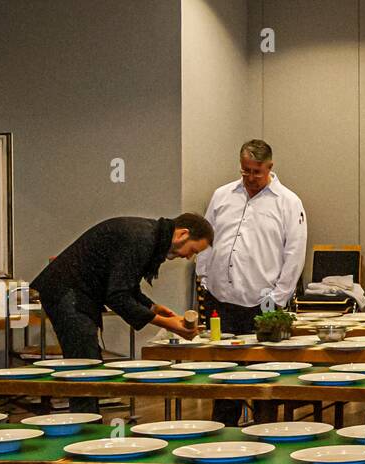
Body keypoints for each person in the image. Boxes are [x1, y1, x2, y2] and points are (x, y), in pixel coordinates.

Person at [30, 214, 212, 414]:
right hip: (67, 292)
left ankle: (87, 421)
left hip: (76, 292)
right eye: (192, 251)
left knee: (88, 363)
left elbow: (124, 284)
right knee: (83, 366)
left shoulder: (147, 235)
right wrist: (166, 324)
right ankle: (85, 428)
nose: (188, 257)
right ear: (182, 234)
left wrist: (152, 307)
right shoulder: (142, 239)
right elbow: (117, 295)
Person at [195, 140, 307, 424]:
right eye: (245, 171)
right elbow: (206, 238)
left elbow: (294, 254)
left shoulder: (289, 202)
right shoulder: (222, 195)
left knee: (262, 377)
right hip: (221, 299)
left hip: (264, 304)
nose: (250, 178)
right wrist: (203, 278)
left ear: (270, 167)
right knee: (223, 376)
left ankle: (264, 433)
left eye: (256, 172)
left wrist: (277, 300)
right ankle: (221, 434)